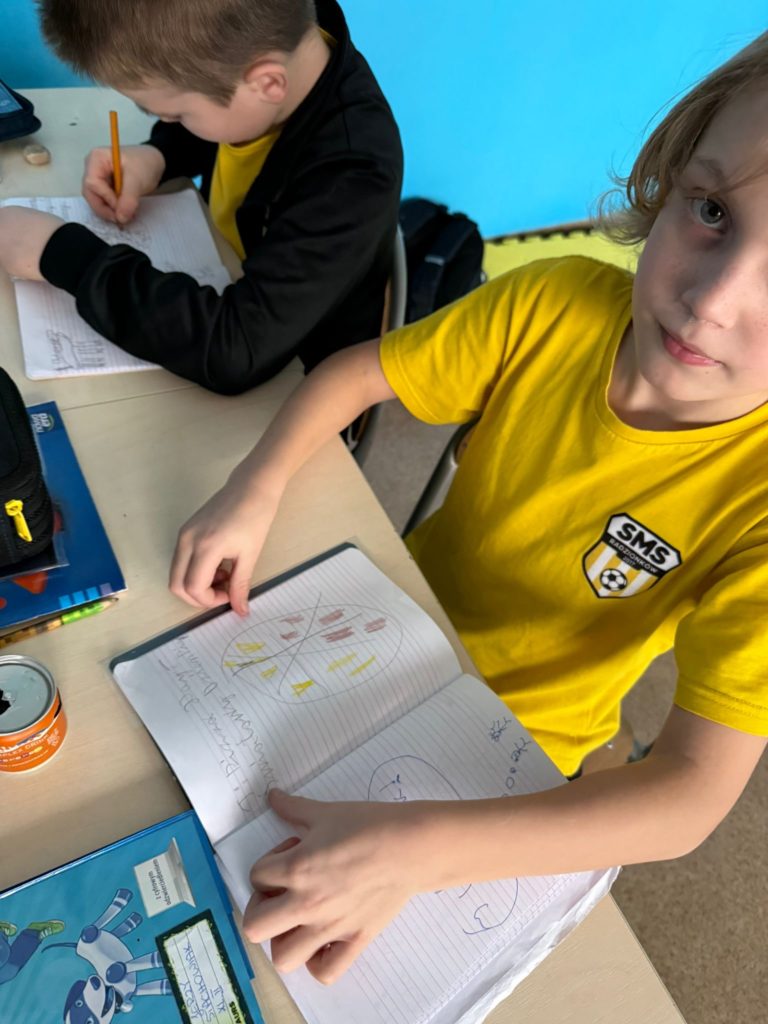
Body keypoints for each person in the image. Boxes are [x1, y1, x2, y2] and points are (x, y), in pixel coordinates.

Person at [168, 33, 768, 984]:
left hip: (519, 751)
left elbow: (691, 797)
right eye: (712, 210)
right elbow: (356, 374)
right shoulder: (556, 303)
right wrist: (257, 484)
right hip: (388, 630)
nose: (711, 301)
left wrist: (421, 851)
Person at [0, 0, 402, 394]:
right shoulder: (274, 53)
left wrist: (64, 256)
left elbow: (235, 351)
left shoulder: (351, 177)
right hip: (225, 266)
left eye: (177, 115)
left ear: (268, 84)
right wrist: (159, 155)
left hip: (303, 383)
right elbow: (223, 110)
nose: (168, 121)